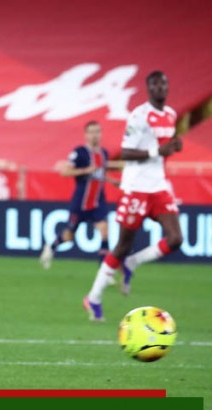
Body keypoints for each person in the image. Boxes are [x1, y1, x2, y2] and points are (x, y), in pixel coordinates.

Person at [83, 71, 183, 321]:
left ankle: (132, 263)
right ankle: (93, 297)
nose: (160, 87)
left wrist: (174, 146)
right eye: (155, 84)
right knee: (122, 246)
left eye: (163, 83)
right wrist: (157, 151)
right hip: (136, 187)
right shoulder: (139, 116)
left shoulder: (171, 114)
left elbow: (164, 146)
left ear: (167, 87)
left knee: (175, 239)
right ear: (148, 89)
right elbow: (126, 152)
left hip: (158, 186)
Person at [40, 121, 121, 270]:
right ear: (86, 135)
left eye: (97, 131)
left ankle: (104, 271)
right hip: (81, 202)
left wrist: (111, 181)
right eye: (92, 132)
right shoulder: (79, 152)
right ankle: (51, 247)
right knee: (68, 236)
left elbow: (100, 173)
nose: (95, 135)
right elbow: (65, 172)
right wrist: (85, 170)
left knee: (105, 231)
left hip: (98, 202)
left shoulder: (104, 153)